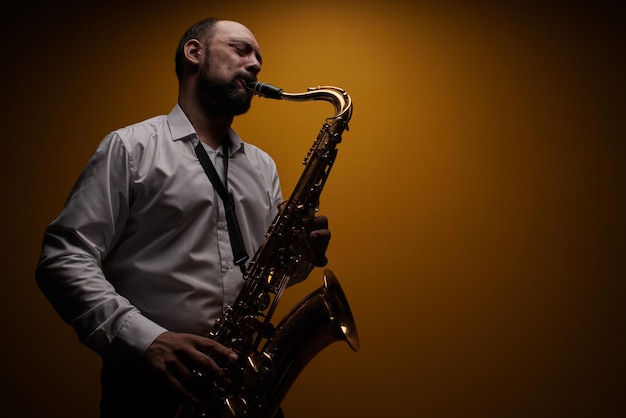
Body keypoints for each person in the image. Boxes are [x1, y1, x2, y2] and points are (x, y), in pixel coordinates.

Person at [35, 18, 331, 417]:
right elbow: (63, 258)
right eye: (241, 50)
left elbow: (270, 276)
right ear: (195, 53)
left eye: (259, 57)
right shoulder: (131, 148)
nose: (256, 64)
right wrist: (146, 340)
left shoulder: (262, 166)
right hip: (151, 386)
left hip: (240, 384)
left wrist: (301, 255)